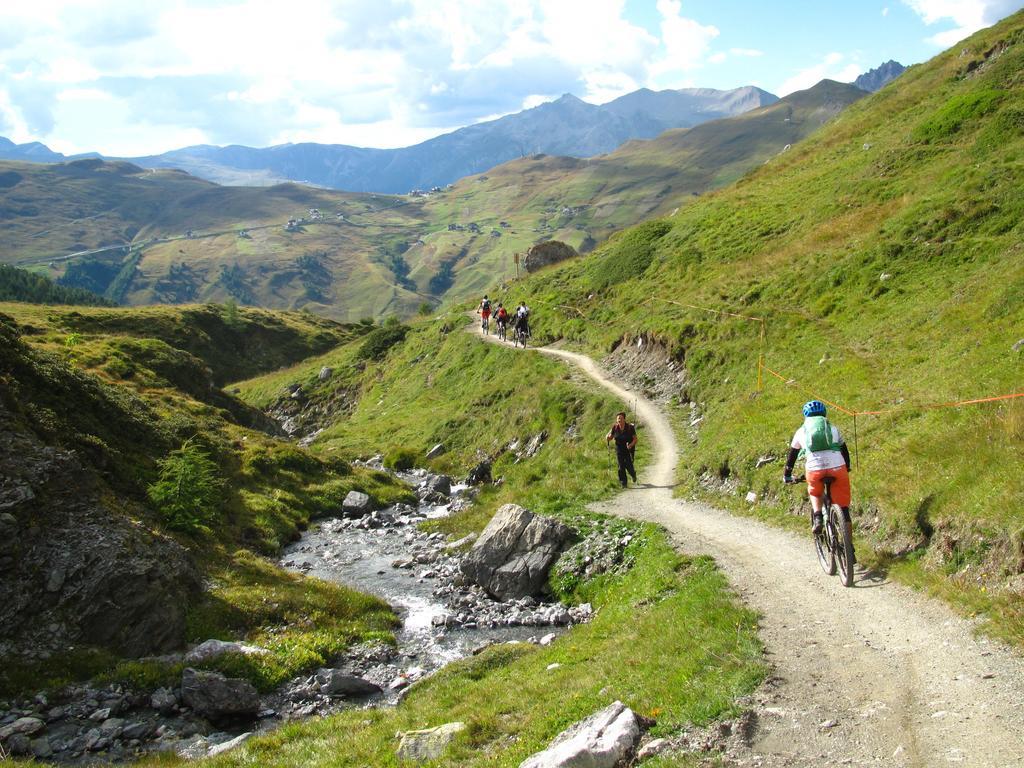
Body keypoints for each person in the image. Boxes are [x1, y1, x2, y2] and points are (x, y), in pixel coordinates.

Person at [783, 400, 852, 535]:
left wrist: (787, 475)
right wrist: (847, 467)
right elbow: (844, 450)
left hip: (815, 468)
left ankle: (818, 516)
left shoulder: (801, 431)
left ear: (806, 416)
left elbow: (792, 456)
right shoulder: (833, 428)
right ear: (824, 414)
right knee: (844, 509)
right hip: (837, 466)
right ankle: (849, 547)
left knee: (815, 492)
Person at [606, 411, 638, 487]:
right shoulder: (615, 427)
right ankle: (623, 483)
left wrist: (630, 445)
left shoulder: (630, 427)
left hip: (628, 449)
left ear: (624, 419)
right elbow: (611, 437)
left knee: (628, 465)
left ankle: (633, 474)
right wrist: (608, 438)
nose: (619, 420)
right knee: (621, 466)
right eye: (618, 418)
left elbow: (635, 439)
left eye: (621, 418)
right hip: (619, 449)